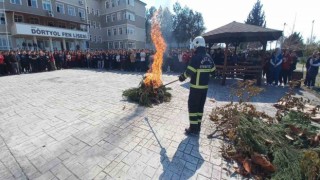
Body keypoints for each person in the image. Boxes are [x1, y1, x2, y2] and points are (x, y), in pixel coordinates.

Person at [178, 36, 215, 135]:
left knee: (193, 107)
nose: (193, 49)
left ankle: (193, 129)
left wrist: (182, 77)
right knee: (200, 108)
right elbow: (213, 72)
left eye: (194, 46)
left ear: (197, 45)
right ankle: (198, 127)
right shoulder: (209, 57)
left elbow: (189, 71)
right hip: (204, 88)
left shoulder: (196, 57)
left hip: (195, 88)